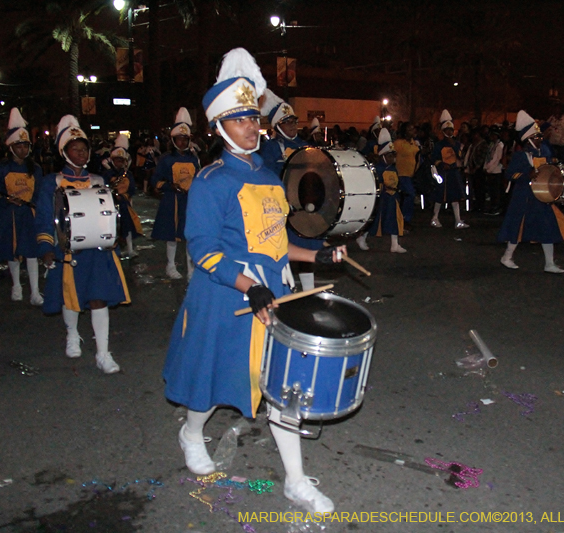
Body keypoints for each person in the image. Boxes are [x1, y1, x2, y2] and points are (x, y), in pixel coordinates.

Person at [163, 48, 346, 514]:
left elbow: (276, 244)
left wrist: (317, 254)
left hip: (272, 293)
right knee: (215, 375)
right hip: (225, 295)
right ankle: (191, 433)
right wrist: (250, 286)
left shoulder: (267, 176)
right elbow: (204, 250)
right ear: (219, 126)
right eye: (240, 119)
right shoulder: (210, 181)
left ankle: (296, 482)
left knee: (282, 385)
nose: (251, 126)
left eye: (252, 117)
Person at [34, 115, 129, 374]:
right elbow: (45, 217)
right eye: (75, 149)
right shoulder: (52, 182)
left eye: (84, 149)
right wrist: (46, 248)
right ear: (64, 152)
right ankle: (73, 334)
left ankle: (103, 353)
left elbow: (107, 215)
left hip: (96, 250)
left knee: (99, 298)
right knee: (70, 297)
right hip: (67, 250)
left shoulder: (97, 181)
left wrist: (113, 240)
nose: (81, 153)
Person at [258, 89, 322, 291]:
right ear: (277, 125)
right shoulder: (270, 148)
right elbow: (268, 179)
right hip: (282, 206)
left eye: (294, 121)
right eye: (287, 122)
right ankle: (281, 289)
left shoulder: (305, 145)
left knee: (306, 246)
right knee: (281, 249)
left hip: (304, 204)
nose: (293, 126)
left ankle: (308, 290)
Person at [498, 110, 564, 273]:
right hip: (524, 197)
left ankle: (549, 264)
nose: (540, 139)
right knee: (517, 227)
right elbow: (510, 174)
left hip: (542, 196)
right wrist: (527, 174)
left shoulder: (545, 151)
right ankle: (507, 257)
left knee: (548, 227)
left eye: (540, 136)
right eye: (537, 137)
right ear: (528, 139)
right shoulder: (521, 155)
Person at [0, 108, 43, 304]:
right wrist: (5, 201)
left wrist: (33, 204)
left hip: (28, 215)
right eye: (19, 146)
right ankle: (16, 286)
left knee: (32, 252)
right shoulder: (0, 168)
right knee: (12, 252)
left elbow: (39, 192)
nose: (23, 150)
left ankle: (35, 291)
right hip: (8, 215)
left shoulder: (35, 168)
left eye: (26, 146)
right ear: (11, 147)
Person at [151, 108, 201, 280]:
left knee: (189, 235)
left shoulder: (194, 158)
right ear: (173, 140)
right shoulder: (166, 159)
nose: (182, 142)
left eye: (185, 139)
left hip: (189, 201)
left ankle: (191, 269)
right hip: (172, 201)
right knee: (171, 236)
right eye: (179, 139)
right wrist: (169, 186)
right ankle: (170, 265)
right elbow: (155, 180)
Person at [356, 128, 405, 253]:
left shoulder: (393, 168)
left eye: (393, 155)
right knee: (375, 220)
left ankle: (395, 244)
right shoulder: (377, 169)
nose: (392, 158)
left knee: (395, 220)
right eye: (389, 156)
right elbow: (374, 184)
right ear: (383, 156)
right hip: (381, 200)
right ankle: (362, 237)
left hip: (392, 199)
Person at [103, 134, 143, 259]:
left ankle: (130, 249)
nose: (119, 163)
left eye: (121, 160)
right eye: (117, 160)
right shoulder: (107, 174)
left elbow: (132, 189)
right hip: (111, 205)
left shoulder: (128, 174)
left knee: (128, 227)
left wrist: (125, 196)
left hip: (125, 204)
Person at [430, 109, 468, 228]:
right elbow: (434, 159)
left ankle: (458, 220)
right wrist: (441, 164)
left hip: (454, 172)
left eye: (451, 129)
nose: (449, 132)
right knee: (440, 196)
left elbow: (460, 156)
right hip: (443, 173)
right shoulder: (439, 145)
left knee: (455, 197)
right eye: (447, 130)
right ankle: (434, 218)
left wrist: (454, 146)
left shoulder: (456, 143)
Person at [393, 122, 420, 227]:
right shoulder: (398, 143)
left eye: (413, 129)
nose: (412, 131)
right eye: (409, 129)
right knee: (410, 194)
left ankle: (403, 219)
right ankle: (404, 219)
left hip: (411, 174)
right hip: (401, 174)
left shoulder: (414, 143)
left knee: (406, 197)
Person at [483, 125, 504, 215]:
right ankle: (492, 206)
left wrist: (489, 169)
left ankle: (496, 207)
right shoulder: (492, 145)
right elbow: (488, 157)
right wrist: (485, 167)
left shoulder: (499, 145)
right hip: (490, 170)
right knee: (491, 191)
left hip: (496, 171)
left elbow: (497, 159)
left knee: (496, 191)